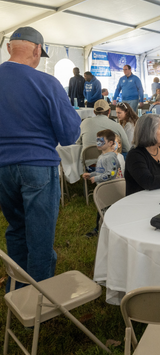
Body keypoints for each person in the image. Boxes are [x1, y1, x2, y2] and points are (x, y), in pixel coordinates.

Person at [0, 26, 81, 289]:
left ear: (9, 47)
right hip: (38, 164)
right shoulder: (46, 82)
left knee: (16, 228)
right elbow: (70, 134)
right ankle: (38, 301)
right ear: (37, 50)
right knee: (40, 236)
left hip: (2, 166)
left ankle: (18, 288)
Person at [82, 129, 122, 237]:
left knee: (107, 211)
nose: (97, 143)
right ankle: (100, 229)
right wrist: (91, 174)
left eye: (101, 141)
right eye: (97, 140)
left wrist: (97, 178)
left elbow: (112, 173)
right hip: (101, 188)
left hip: (109, 189)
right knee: (101, 210)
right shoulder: (101, 156)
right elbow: (102, 171)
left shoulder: (111, 157)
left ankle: (105, 230)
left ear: (110, 143)